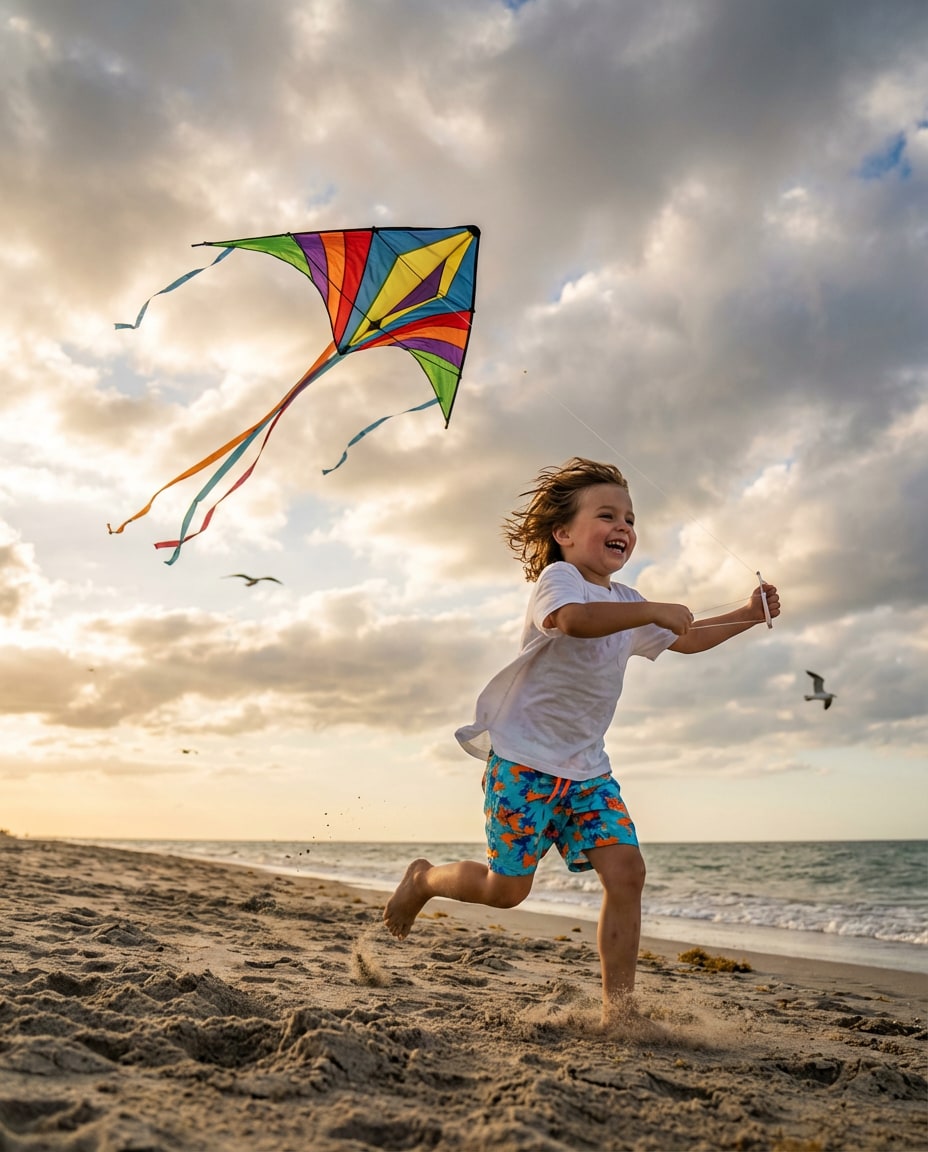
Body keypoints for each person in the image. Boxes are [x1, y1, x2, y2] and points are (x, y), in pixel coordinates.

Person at [384, 456, 780, 1025]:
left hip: (588, 771)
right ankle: (423, 879)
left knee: (627, 872)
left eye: (629, 517)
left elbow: (686, 641)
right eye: (606, 515)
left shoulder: (626, 600)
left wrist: (747, 612)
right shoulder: (560, 582)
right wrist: (651, 608)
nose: (622, 526)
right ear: (564, 533)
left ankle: (619, 1010)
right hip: (523, 763)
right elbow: (573, 621)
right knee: (506, 891)